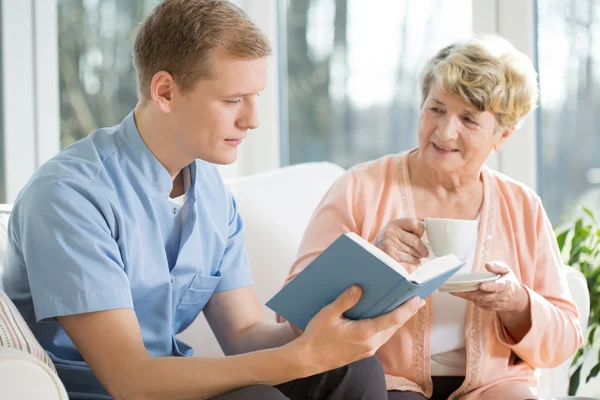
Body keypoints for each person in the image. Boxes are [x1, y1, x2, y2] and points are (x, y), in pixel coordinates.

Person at [1, 1, 426, 399]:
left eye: (255, 97)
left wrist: (342, 310)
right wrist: (298, 358)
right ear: (165, 91)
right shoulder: (68, 196)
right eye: (232, 100)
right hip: (109, 391)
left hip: (173, 382)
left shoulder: (212, 196)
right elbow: (131, 379)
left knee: (356, 370)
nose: (252, 119)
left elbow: (244, 336)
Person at [281, 35, 584, 400]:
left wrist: (516, 303)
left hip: (494, 388)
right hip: (387, 384)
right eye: (436, 109)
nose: (444, 131)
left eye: (468, 119)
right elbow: (293, 317)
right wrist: (371, 259)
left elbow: (565, 339)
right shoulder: (359, 187)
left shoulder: (523, 205)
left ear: (502, 134)